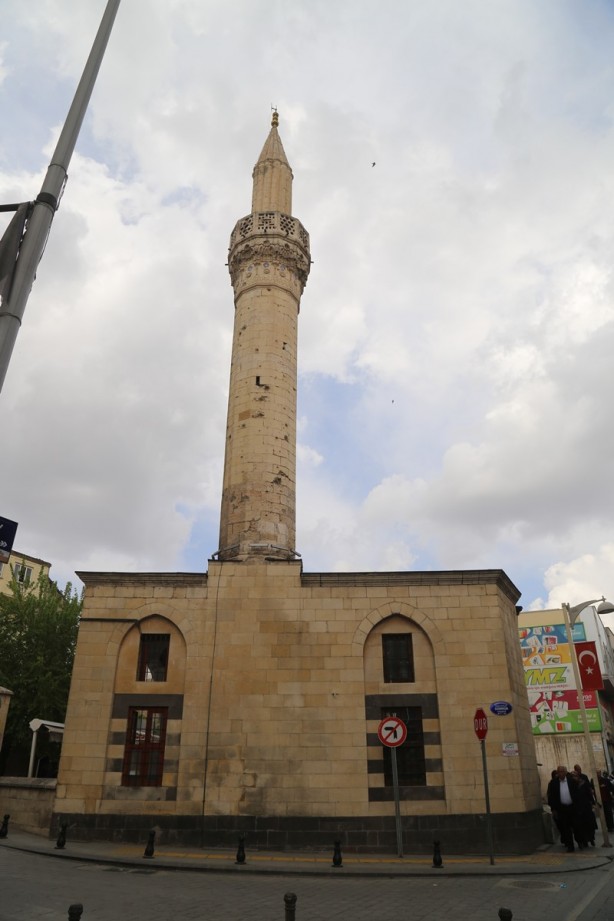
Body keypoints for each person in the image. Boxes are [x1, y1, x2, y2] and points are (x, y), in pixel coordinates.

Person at [547, 765, 581, 852]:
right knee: (566, 828)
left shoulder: (571, 781)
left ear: (566, 772)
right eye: (559, 772)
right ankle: (570, 846)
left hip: (572, 808)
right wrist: (553, 809)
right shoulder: (554, 783)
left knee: (576, 826)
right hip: (562, 809)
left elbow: (577, 794)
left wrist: (578, 806)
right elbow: (551, 797)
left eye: (562, 771)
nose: (561, 773)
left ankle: (579, 841)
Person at [571, 770, 596, 847]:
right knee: (579, 826)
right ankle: (582, 841)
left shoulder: (584, 783)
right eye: (572, 776)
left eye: (575, 776)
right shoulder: (571, 785)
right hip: (577, 809)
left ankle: (591, 838)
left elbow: (589, 794)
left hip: (586, 807)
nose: (574, 777)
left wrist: (593, 803)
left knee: (589, 824)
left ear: (578, 776)